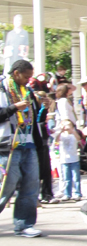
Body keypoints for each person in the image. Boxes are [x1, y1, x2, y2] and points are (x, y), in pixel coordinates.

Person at [0, 60, 42, 237]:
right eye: (26, 77)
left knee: (31, 185)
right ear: (16, 73)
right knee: (5, 187)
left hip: (28, 143)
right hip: (8, 145)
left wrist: (40, 105)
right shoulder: (2, 88)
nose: (28, 80)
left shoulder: (28, 91)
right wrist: (13, 108)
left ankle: (24, 224)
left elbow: (34, 115)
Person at [54, 121, 82, 201]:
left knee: (76, 177)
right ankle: (67, 194)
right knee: (66, 178)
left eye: (68, 125)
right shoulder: (62, 136)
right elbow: (56, 139)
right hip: (64, 160)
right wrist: (61, 130)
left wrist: (72, 130)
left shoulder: (73, 135)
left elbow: (78, 138)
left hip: (74, 159)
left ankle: (77, 193)